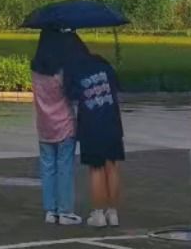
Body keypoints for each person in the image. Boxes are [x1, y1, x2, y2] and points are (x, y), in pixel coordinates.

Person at [60, 31, 125, 228]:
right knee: (111, 166)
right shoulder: (102, 63)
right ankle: (112, 213)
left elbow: (70, 95)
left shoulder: (72, 69)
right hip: (112, 120)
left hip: (91, 123)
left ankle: (98, 214)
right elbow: (116, 85)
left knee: (96, 168)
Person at [31, 30, 82, 225]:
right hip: (64, 126)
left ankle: (50, 211)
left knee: (48, 169)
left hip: (44, 126)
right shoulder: (61, 71)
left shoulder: (35, 71)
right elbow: (73, 94)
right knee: (65, 168)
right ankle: (65, 210)